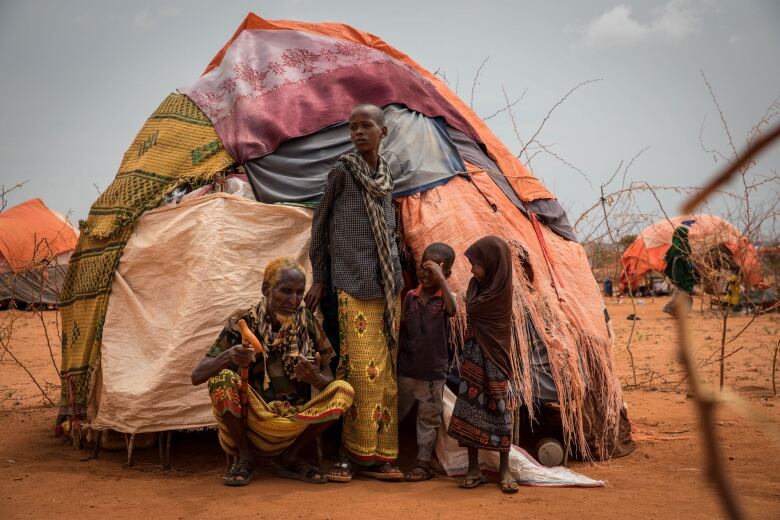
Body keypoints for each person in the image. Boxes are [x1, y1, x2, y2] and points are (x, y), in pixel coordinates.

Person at [305, 103, 404, 482]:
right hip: (350, 282)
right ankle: (348, 455)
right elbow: (320, 227)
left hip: (387, 286)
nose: (358, 132)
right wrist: (318, 277)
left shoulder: (387, 176)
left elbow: (390, 233)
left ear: (383, 131)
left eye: (366, 126)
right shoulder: (342, 173)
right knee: (359, 370)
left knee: (386, 376)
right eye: (352, 127)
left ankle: (381, 457)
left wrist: (395, 272)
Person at [191, 257, 354, 486]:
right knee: (222, 379)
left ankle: (291, 456)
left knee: (343, 390)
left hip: (293, 422)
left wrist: (315, 378)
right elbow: (197, 376)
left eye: (299, 292)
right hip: (253, 422)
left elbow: (329, 378)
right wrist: (229, 356)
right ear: (266, 289)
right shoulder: (244, 323)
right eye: (286, 291)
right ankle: (246, 456)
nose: (294, 300)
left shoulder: (307, 322)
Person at [447, 235, 520, 494]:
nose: (472, 269)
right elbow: (470, 305)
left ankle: (504, 468)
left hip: (495, 358)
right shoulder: (477, 285)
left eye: (476, 264)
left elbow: (474, 309)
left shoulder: (500, 290)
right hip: (473, 355)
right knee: (470, 409)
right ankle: (473, 467)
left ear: (492, 263)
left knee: (499, 410)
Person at [397, 242, 457, 481]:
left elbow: (452, 311)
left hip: (433, 372)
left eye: (434, 269)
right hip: (407, 369)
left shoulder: (445, 300)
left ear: (446, 273)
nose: (426, 273)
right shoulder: (410, 297)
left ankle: (422, 463)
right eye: (424, 267)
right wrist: (396, 363)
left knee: (428, 418)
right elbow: (402, 331)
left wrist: (442, 280)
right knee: (397, 412)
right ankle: (387, 457)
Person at [662, 223, 696, 315]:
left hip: (680, 274)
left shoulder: (677, 247)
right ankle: (672, 309)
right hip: (680, 275)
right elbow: (678, 262)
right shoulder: (679, 248)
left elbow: (665, 259)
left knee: (681, 293)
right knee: (684, 293)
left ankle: (673, 309)